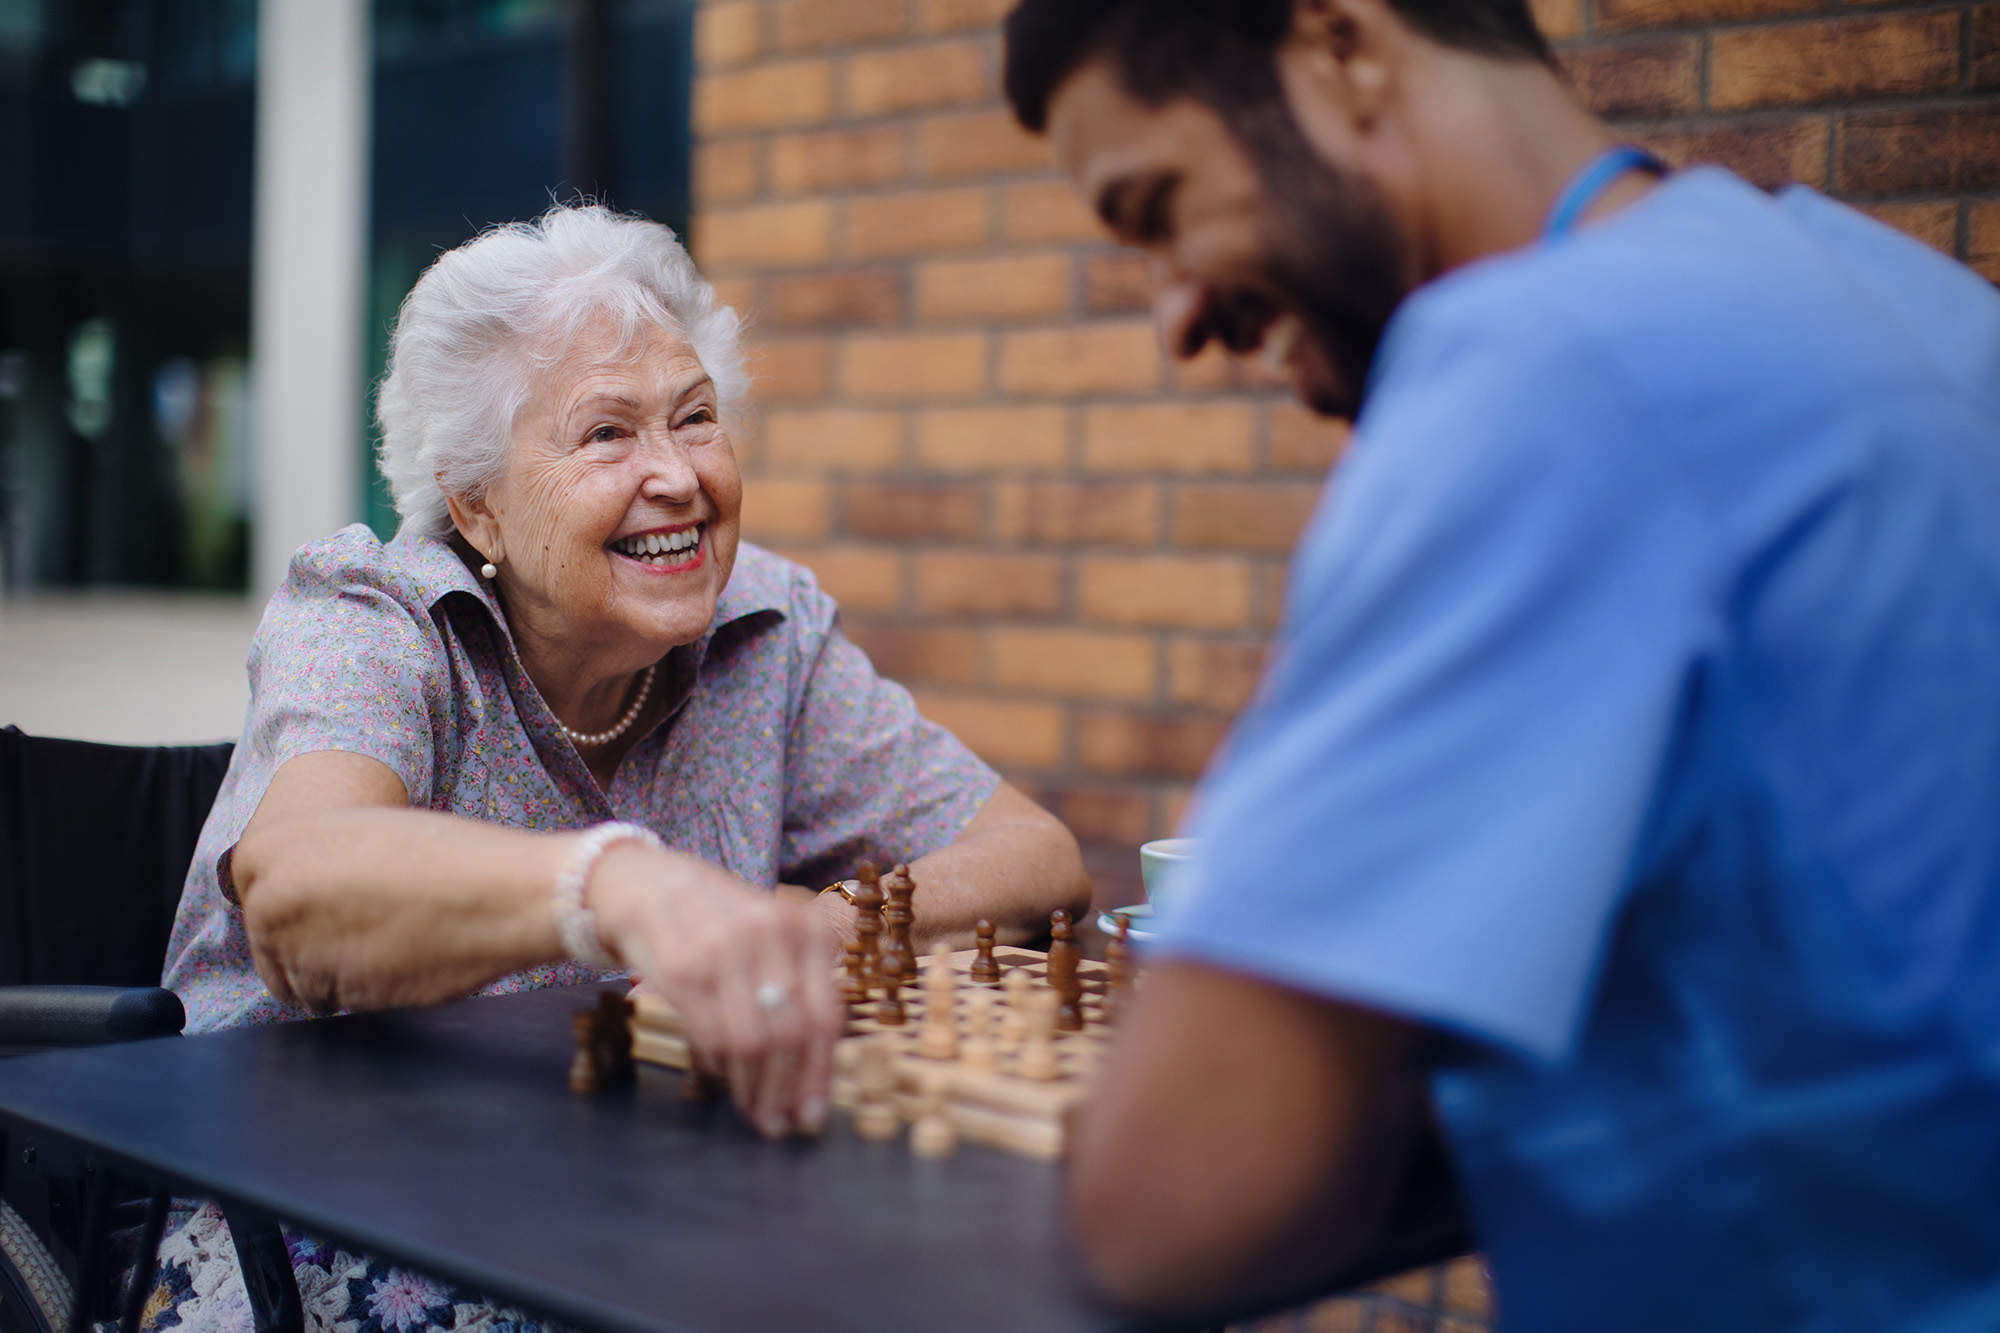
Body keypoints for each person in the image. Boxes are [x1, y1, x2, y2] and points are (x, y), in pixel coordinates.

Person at [1002, 0, 2000, 1327]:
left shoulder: (1533, 379)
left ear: (1342, 45)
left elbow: (1164, 1210)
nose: (1177, 318)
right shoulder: (1915, 302)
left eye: (1162, 205)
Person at [165, 203, 1089, 1143]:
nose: (679, 477)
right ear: (476, 504)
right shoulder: (371, 615)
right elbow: (298, 896)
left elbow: (1036, 857)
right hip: (314, 1193)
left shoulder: (763, 627)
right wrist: (613, 885)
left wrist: (824, 928)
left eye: (695, 419)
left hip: (619, 1175)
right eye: (607, 433)